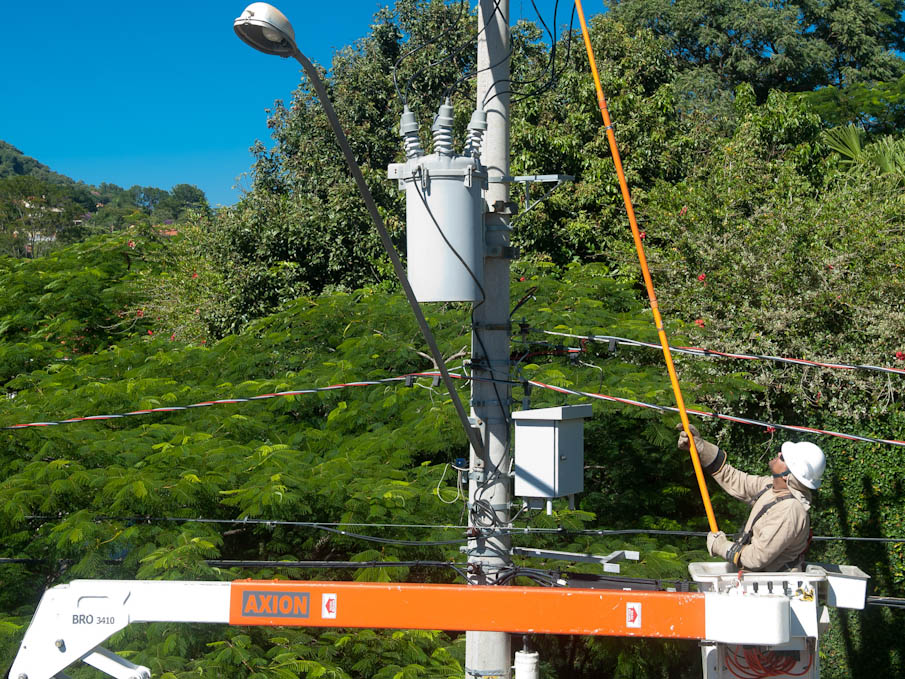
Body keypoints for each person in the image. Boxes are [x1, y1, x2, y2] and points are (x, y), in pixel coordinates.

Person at [677, 424, 826, 572]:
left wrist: (721, 546)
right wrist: (700, 448)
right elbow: (734, 479)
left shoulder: (790, 510)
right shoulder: (771, 487)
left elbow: (755, 558)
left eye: (784, 458)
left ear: (788, 475)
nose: (780, 454)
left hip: (775, 589)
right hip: (758, 583)